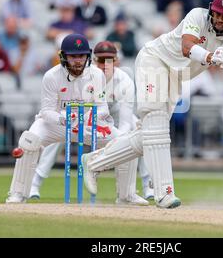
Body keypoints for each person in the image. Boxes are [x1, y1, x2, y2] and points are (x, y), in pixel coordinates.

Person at [81, 0, 223, 208]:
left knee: (151, 134)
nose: (219, 19)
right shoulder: (197, 15)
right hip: (155, 61)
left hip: (176, 76)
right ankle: (164, 193)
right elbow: (187, 47)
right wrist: (210, 56)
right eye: (217, 14)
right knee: (157, 126)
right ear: (211, 9)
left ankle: (94, 161)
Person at [29, 41, 151, 204]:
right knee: (58, 131)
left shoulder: (125, 81)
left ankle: (142, 188)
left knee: (135, 135)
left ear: (117, 61)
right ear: (93, 60)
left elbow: (126, 119)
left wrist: (118, 145)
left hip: (110, 116)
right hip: (84, 114)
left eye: (110, 60)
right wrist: (74, 122)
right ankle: (35, 183)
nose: (105, 65)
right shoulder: (86, 75)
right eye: (101, 60)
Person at [5, 34, 117, 203]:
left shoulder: (97, 75)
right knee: (30, 140)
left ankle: (126, 195)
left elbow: (102, 108)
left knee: (124, 141)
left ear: (88, 55)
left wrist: (84, 118)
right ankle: (18, 193)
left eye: (81, 56)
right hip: (56, 124)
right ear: (63, 57)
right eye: (73, 56)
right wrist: (63, 120)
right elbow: (46, 111)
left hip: (87, 124)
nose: (78, 61)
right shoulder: (51, 76)